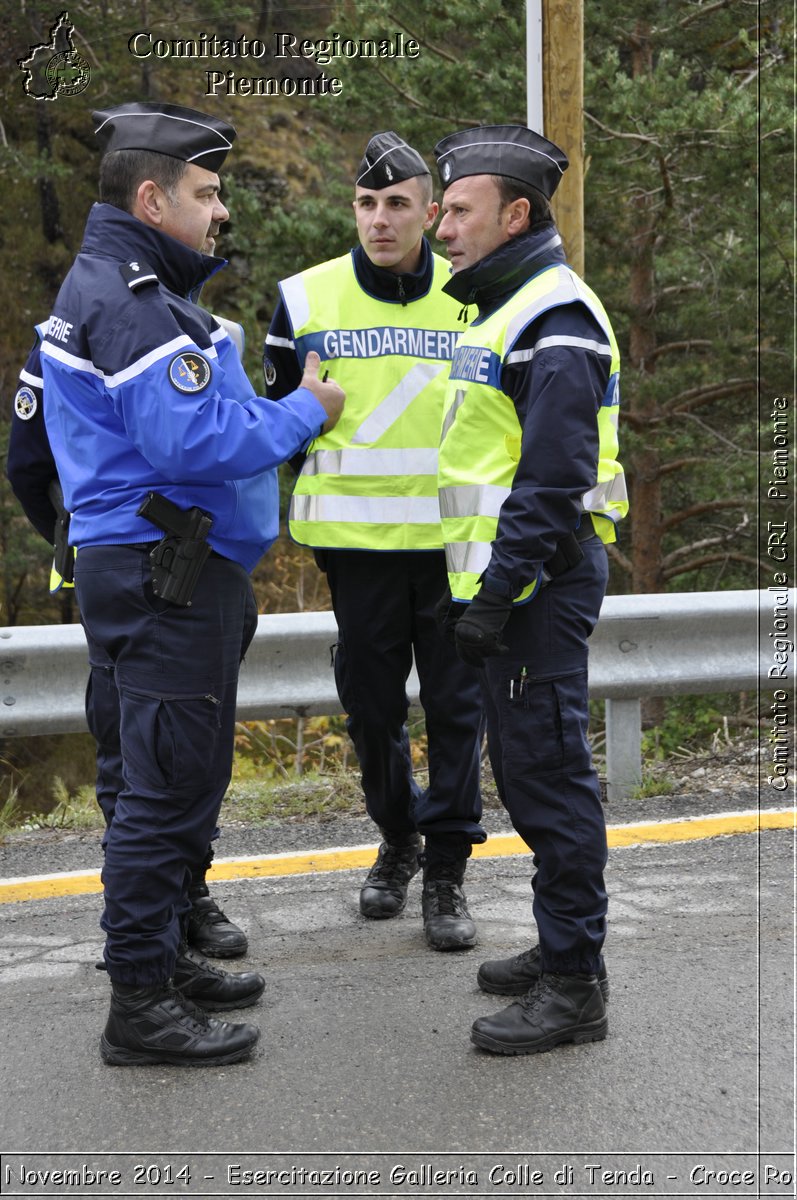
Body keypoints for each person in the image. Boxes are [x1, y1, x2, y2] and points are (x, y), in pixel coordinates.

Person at [37, 100, 344, 1067]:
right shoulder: (130, 300)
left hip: (165, 571)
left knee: (171, 782)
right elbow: (193, 442)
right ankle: (139, 1005)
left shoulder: (136, 294)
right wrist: (305, 411)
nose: (220, 211)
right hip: (166, 575)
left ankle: (164, 962)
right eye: (206, 193)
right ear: (150, 196)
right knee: (165, 793)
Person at [432, 124, 628, 1053]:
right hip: (517, 588)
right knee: (527, 770)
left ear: (515, 214)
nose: (440, 227)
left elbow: (550, 483)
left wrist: (494, 595)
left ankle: (575, 981)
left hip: (536, 586)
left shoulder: (553, 319)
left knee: (548, 778)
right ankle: (559, 948)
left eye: (457, 210)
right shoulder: (505, 310)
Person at [264, 132, 485, 950]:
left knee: (458, 711)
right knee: (371, 712)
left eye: (398, 204)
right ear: (352, 208)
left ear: (430, 212)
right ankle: (399, 839)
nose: (380, 220)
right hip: (354, 551)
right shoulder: (304, 299)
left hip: (454, 546)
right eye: (367, 204)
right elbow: (277, 425)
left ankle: (449, 870)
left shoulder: (478, 296)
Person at [9, 326, 250, 961]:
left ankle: (186, 892)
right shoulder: (68, 340)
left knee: (190, 747)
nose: (216, 224)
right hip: (124, 573)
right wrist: (90, 536)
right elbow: (28, 464)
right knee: (129, 748)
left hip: (198, 570)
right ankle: (149, 920)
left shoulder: (206, 336)